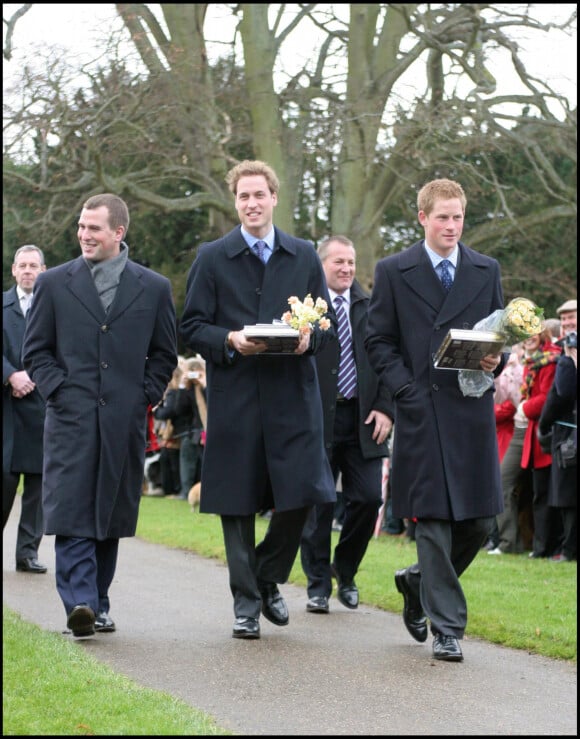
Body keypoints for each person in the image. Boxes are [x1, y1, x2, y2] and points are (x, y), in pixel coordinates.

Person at [179, 159, 337, 640]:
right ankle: (246, 605)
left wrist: (311, 339)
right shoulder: (212, 256)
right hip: (238, 397)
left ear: (274, 197)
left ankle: (266, 575)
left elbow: (324, 325)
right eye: (243, 196)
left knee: (308, 493)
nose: (252, 203)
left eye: (259, 195)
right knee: (237, 501)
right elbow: (190, 327)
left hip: (293, 397)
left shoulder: (304, 254)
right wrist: (228, 339)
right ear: (236, 202)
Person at [22, 193, 177, 637]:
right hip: (70, 419)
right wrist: (59, 392)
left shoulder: (153, 287)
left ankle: (98, 602)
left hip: (123, 420)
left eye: (94, 228)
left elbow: (164, 355)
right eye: (81, 227)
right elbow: (35, 351)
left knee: (109, 514)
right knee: (72, 510)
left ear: (118, 233)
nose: (83, 235)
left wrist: (141, 397)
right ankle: (81, 603)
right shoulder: (53, 283)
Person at [365, 178, 506, 663]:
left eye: (458, 217)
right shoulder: (393, 271)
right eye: (442, 217)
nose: (451, 226)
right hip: (420, 411)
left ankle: (417, 582)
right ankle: (448, 628)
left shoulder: (486, 270)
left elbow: (496, 337)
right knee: (432, 519)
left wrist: (495, 362)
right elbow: (378, 340)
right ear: (422, 217)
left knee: (481, 520)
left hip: (470, 410)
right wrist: (404, 388)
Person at [300, 235, 393, 614]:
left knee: (369, 497)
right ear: (321, 265)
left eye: (351, 262)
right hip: (318, 417)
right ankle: (318, 583)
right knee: (318, 504)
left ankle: (347, 570)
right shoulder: (306, 309)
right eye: (338, 262)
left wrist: (387, 408)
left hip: (364, 417)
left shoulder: (372, 308)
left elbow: (389, 358)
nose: (346, 269)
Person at [3, 245, 48, 574]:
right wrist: (10, 375)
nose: (29, 270)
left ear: (44, 270)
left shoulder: (56, 306)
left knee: (39, 485)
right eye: (23, 265)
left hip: (43, 409)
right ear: (14, 271)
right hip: (6, 410)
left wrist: (39, 375)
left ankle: (27, 553)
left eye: (34, 265)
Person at [517, 326, 562, 558]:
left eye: (532, 333)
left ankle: (545, 547)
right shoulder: (532, 362)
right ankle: (539, 546)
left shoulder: (550, 359)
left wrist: (524, 407)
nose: (528, 339)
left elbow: (546, 397)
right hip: (534, 436)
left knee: (546, 494)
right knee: (539, 493)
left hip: (547, 435)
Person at [486, 343, 528, 554]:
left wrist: (485, 413)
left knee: (503, 485)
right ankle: (499, 540)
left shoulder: (519, 370)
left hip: (509, 435)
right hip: (500, 435)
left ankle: (506, 541)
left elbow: (508, 408)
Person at [539, 331, 577, 562]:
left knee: (567, 495)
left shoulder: (566, 361)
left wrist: (567, 361)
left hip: (569, 435)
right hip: (567, 432)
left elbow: (562, 392)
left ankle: (569, 550)